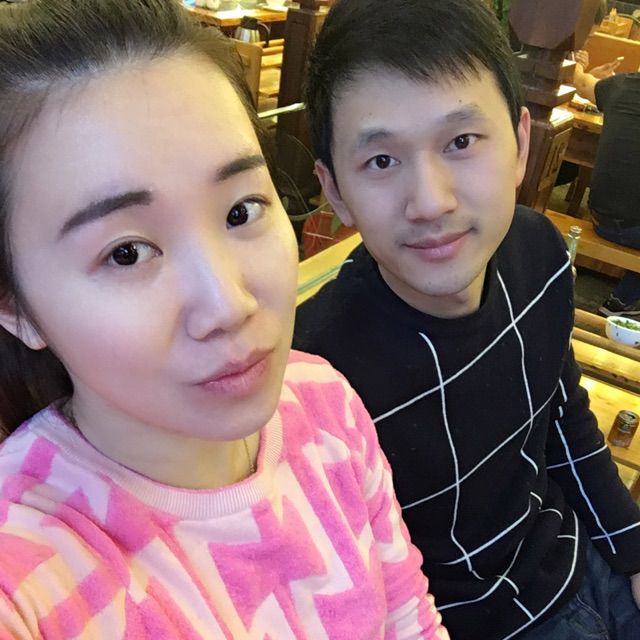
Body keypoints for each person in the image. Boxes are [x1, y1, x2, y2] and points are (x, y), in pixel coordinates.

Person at [0, 1, 451, 638]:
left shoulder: (324, 407)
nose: (228, 304)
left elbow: (414, 622)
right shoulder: (28, 571)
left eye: (241, 211)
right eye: (127, 253)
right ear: (14, 307)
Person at [294, 0, 640, 638]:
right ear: (335, 190)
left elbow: (562, 418)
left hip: (578, 564)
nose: (431, 202)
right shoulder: (313, 375)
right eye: (381, 161)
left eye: (461, 142)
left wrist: (633, 550)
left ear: (520, 144)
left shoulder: (538, 252)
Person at [574, 56, 640, 317]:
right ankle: (623, 302)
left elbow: (581, 83)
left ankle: (621, 302)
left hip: (600, 217)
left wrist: (580, 64)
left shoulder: (621, 85)